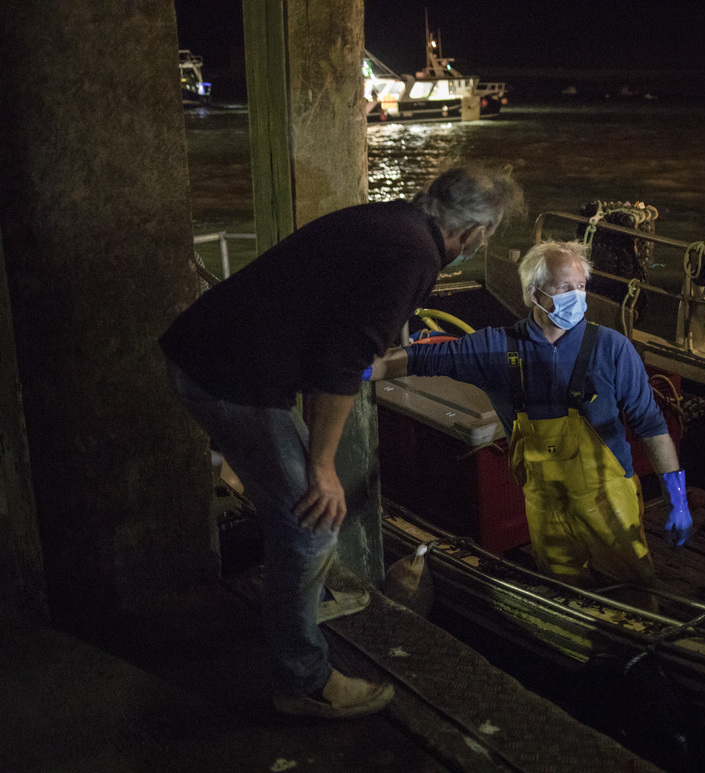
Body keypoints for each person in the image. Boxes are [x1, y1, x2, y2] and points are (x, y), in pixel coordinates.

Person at [159, 165, 523, 719]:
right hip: (230, 378)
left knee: (291, 505)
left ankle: (305, 601)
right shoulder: (416, 256)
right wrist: (323, 465)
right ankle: (301, 681)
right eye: (488, 234)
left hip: (214, 352)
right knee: (312, 526)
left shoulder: (395, 220)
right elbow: (339, 364)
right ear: (474, 232)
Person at [369, 240, 692, 596]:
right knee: (564, 595)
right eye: (564, 287)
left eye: (582, 287)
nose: (577, 297)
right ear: (532, 293)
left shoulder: (613, 349)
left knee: (635, 593)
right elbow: (417, 359)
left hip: (610, 501)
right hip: (545, 507)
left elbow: (652, 425)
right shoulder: (493, 349)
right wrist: (354, 369)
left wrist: (677, 500)